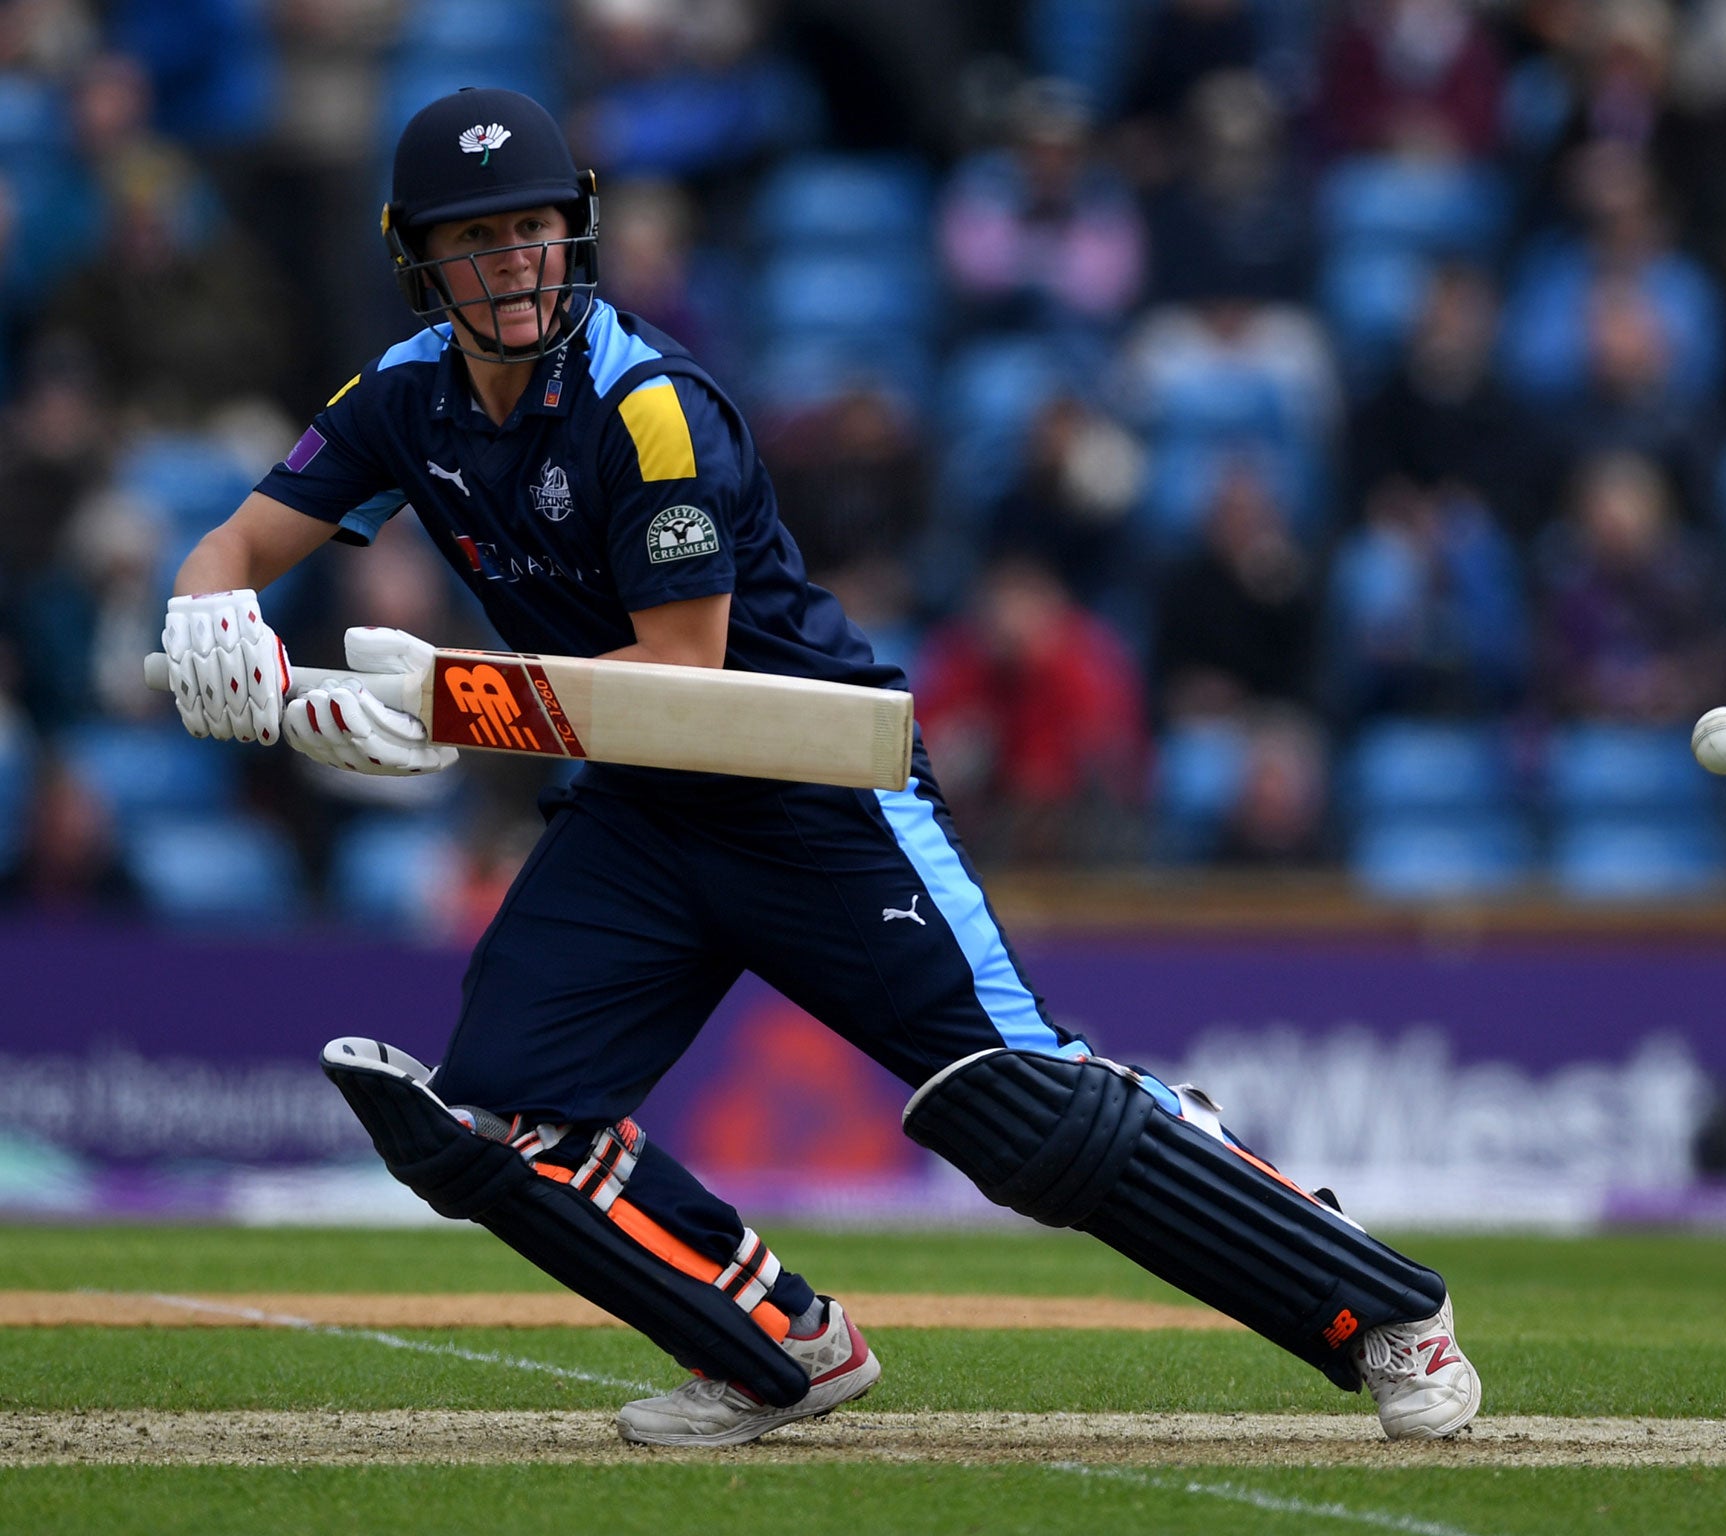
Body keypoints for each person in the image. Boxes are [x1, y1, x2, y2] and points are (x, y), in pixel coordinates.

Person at [157, 87, 1479, 1448]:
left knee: (1017, 1112)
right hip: (641, 813)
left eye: (535, 231)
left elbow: (681, 675)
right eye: (476, 240)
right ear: (417, 259)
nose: (511, 266)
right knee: (492, 1121)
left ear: (578, 235)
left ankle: (1385, 1310)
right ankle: (773, 1340)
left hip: (807, 786)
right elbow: (238, 547)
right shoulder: (401, 396)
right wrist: (210, 609)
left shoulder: (647, 406)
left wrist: (448, 708)